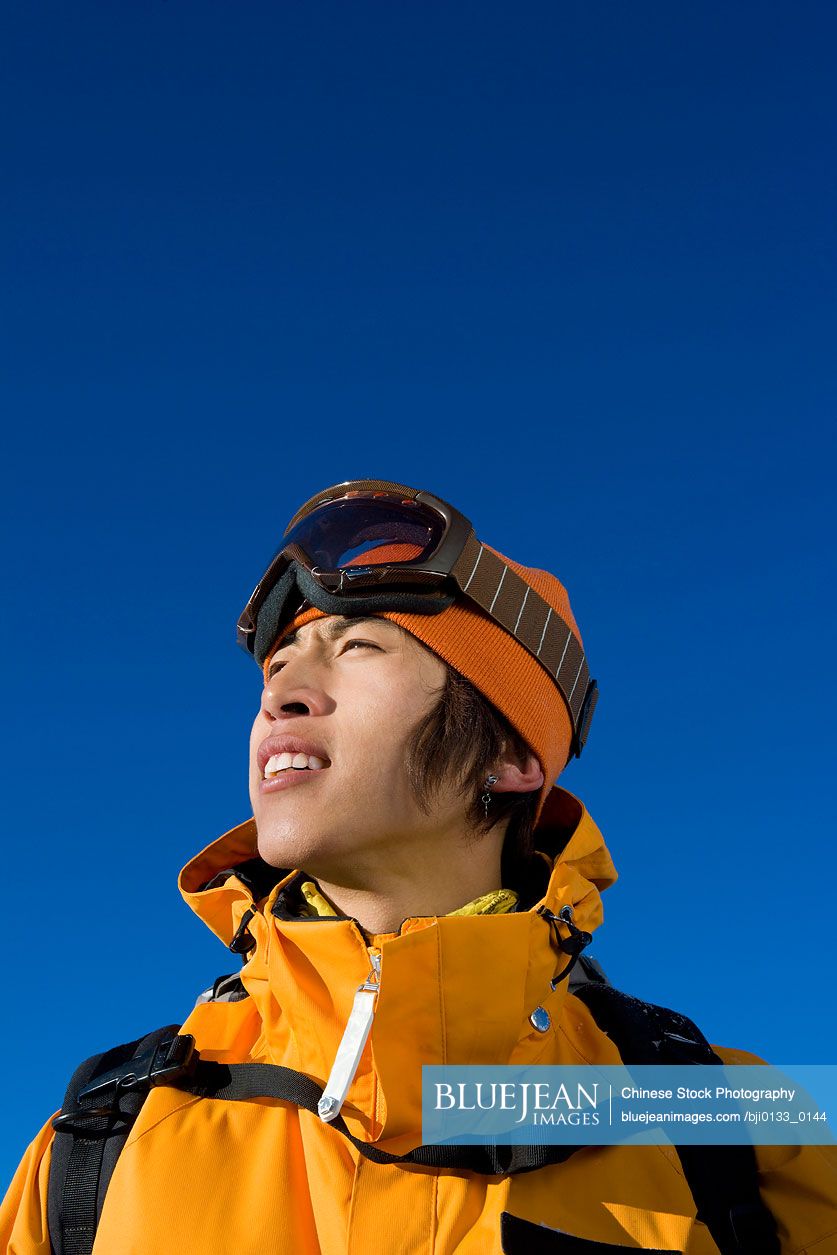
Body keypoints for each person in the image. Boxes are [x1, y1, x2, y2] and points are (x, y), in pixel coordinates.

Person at [2, 479, 835, 1254]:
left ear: (510, 756)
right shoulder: (97, 1138)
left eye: (358, 645)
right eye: (278, 665)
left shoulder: (731, 1123)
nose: (280, 694)